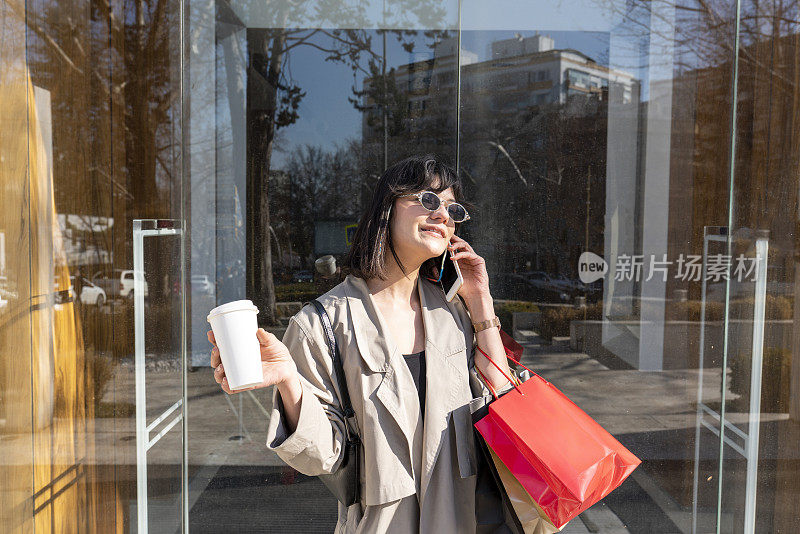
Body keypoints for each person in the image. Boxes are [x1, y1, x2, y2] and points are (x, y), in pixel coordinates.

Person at [208, 154, 517, 533]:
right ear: (386, 208)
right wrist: (290, 381)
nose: (443, 215)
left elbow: (501, 408)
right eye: (428, 200)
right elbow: (322, 456)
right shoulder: (321, 324)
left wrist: (481, 302)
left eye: (452, 208)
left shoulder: (453, 314)